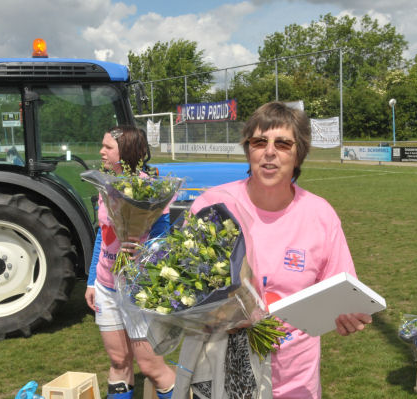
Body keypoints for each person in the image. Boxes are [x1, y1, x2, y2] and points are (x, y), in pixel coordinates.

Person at [190, 102, 372, 398]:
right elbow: (184, 290)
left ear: (298, 153)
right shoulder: (213, 205)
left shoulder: (320, 214)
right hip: (220, 373)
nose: (269, 152)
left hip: (294, 379)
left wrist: (345, 314)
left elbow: (342, 288)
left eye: (283, 144)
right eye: (259, 142)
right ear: (249, 150)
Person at [85, 125, 176, 399]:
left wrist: (142, 249)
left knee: (150, 367)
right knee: (118, 362)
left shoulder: (152, 190)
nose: (101, 151)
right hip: (106, 286)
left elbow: (163, 241)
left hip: (138, 290)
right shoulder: (105, 186)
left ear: (126, 152)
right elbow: (102, 238)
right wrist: (92, 281)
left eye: (108, 147)